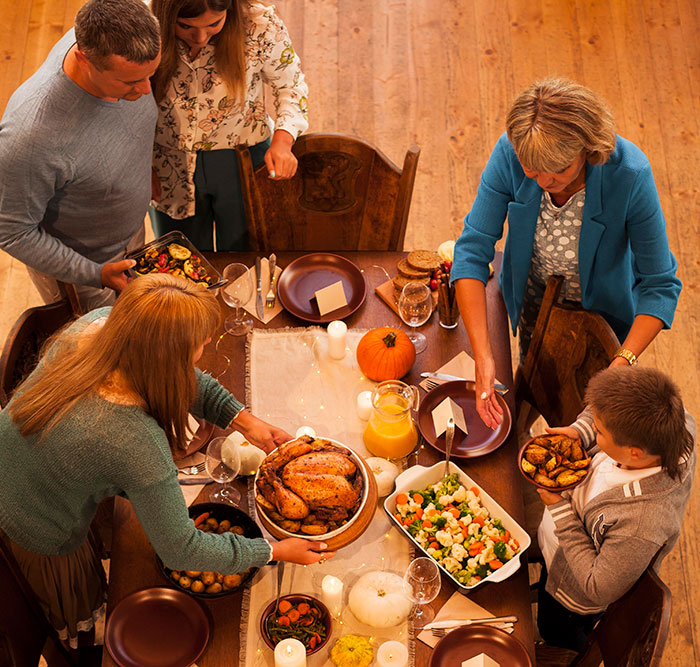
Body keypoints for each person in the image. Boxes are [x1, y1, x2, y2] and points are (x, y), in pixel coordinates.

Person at [0, 273, 333, 652]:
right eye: (199, 345)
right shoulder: (134, 440)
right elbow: (179, 549)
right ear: (166, 356)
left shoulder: (100, 324)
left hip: (23, 466)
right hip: (37, 529)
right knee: (77, 619)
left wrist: (243, 420)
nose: (205, 346)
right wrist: (272, 551)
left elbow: (180, 377)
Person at [450, 78, 682, 428]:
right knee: (532, 383)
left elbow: (660, 286)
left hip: (605, 321)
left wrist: (621, 364)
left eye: (556, 170)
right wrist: (484, 357)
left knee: (592, 428)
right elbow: (471, 249)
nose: (541, 180)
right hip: (534, 302)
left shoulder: (630, 175)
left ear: (587, 148)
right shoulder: (512, 152)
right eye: (530, 169)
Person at [0, 0, 162, 312]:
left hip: (132, 238)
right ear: (83, 59)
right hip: (84, 272)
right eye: (130, 82)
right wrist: (95, 274)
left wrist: (146, 168)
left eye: (150, 76)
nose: (144, 90)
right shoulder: (30, 138)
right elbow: (11, 231)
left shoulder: (116, 38)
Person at [535, 366, 695, 651]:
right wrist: (579, 431)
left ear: (634, 452)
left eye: (597, 431)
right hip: (559, 542)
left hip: (569, 592)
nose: (592, 428)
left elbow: (597, 586)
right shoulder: (675, 421)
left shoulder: (642, 524)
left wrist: (559, 508)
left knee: (555, 632)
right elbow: (602, 410)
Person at [149, 0, 309, 251]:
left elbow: (291, 85)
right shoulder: (144, 24)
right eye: (185, 26)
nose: (200, 37)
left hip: (242, 158)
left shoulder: (259, 25)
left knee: (245, 254)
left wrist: (283, 140)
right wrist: (137, 165)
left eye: (214, 23)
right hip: (167, 163)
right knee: (180, 256)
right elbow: (123, 99)